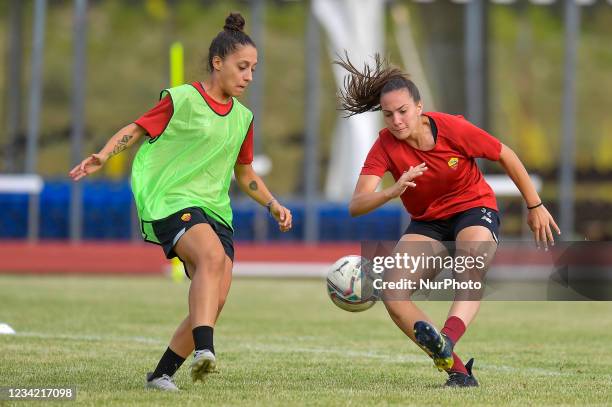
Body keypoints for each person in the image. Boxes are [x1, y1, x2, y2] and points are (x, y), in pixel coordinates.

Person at [69, 13, 292, 391]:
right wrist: (104, 155)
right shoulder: (183, 98)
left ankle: (161, 374)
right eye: (242, 67)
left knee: (214, 300)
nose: (249, 76)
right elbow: (137, 129)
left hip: (216, 209)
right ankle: (206, 350)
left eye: (254, 69)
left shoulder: (243, 118)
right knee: (211, 258)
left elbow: (245, 172)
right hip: (171, 199)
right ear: (217, 62)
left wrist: (272, 204)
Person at [336, 54, 560, 387]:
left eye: (403, 111)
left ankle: (447, 338)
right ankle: (457, 371)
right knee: (393, 292)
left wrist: (535, 205)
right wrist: (392, 190)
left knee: (471, 258)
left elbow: (505, 154)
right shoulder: (384, 146)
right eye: (388, 115)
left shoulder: (452, 128)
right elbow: (357, 204)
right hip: (429, 224)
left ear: (419, 106)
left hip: (474, 208)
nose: (396, 121)